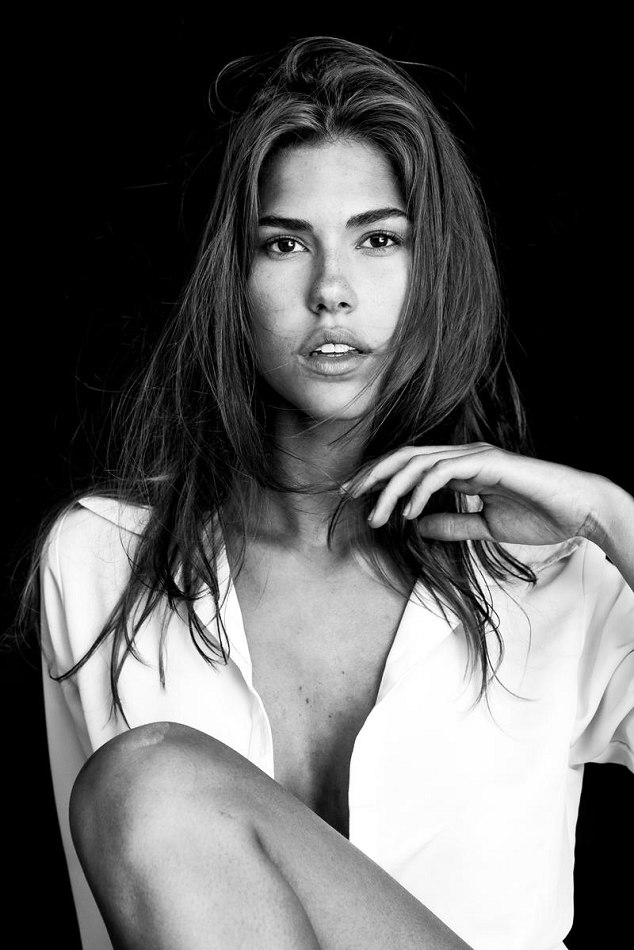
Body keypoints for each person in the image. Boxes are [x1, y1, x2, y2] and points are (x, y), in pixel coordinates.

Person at [25, 35, 633, 950]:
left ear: (434, 271)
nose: (332, 291)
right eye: (284, 244)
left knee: (151, 779)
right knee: (144, 789)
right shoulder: (100, 560)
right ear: (233, 282)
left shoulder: (553, 575)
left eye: (379, 239)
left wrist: (610, 517)